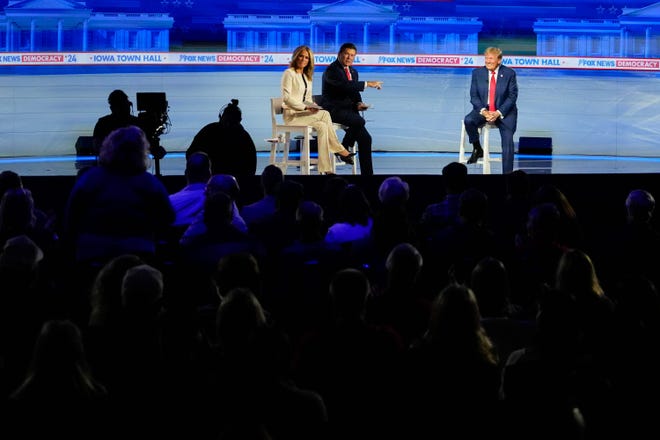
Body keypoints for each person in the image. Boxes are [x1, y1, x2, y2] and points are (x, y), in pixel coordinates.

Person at [280, 45, 355, 175]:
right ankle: (340, 150)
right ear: (296, 56)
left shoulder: (307, 76)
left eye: (307, 57)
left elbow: (307, 97)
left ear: (310, 60)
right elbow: (286, 99)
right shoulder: (289, 73)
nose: (303, 59)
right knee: (325, 114)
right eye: (301, 56)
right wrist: (305, 107)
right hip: (292, 116)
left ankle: (325, 169)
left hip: (304, 115)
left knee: (322, 126)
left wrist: (313, 105)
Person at [321, 42, 383, 176]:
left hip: (349, 112)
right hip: (334, 111)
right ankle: (342, 148)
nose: (349, 57)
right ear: (339, 54)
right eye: (347, 54)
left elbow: (353, 91)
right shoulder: (331, 70)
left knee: (366, 139)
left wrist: (359, 103)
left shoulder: (353, 71)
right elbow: (345, 86)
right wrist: (368, 84)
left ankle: (368, 176)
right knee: (359, 121)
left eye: (352, 55)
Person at [463, 47, 518, 174]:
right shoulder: (477, 73)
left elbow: (512, 96)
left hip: (505, 111)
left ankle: (507, 175)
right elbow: (474, 96)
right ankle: (477, 148)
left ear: (499, 60)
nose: (487, 61)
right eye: (486, 58)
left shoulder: (509, 73)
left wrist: (498, 112)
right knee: (469, 120)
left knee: (508, 142)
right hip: (484, 109)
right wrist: (483, 111)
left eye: (491, 59)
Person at [186, 99, 257, 177]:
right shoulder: (245, 138)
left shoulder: (209, 130)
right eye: (227, 122)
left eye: (231, 123)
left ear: (220, 116)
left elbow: (191, 153)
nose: (228, 125)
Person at [93, 89, 139, 155]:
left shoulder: (103, 123)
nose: (127, 107)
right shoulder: (103, 123)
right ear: (113, 108)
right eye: (123, 105)